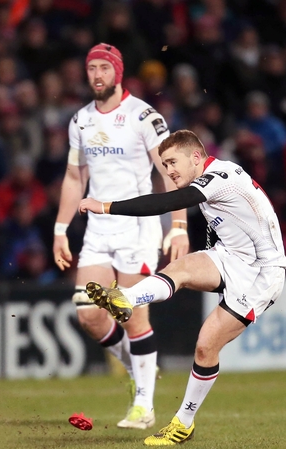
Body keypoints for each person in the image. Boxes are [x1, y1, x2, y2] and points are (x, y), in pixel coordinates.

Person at [79, 129, 286, 445]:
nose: (169, 170)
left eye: (173, 162)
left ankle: (183, 423)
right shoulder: (212, 180)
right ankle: (124, 298)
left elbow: (170, 201)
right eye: (164, 164)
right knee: (180, 268)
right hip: (231, 257)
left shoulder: (220, 175)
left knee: (206, 347)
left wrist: (106, 206)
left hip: (261, 273)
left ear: (196, 157)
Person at [56, 43, 190, 429]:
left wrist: (178, 226)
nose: (96, 75)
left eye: (103, 67)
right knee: (90, 315)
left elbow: (170, 171)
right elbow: (73, 176)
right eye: (91, 68)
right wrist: (60, 229)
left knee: (130, 314)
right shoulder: (80, 120)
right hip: (98, 229)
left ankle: (144, 406)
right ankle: (140, 372)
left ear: (118, 71)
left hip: (137, 227)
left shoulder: (144, 116)